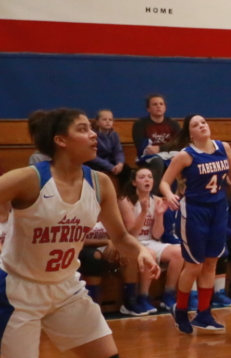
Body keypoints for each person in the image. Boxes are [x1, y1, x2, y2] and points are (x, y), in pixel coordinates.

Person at [0, 108, 160, 358]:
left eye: (92, 128)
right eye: (83, 129)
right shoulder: (30, 179)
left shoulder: (100, 182)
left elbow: (119, 237)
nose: (94, 135)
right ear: (61, 141)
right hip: (18, 290)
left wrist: (141, 251)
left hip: (66, 287)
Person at [158, 114, 231, 334]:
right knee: (194, 265)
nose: (201, 126)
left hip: (218, 210)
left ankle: (204, 313)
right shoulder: (185, 155)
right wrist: (169, 195)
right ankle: (180, 311)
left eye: (204, 122)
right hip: (195, 212)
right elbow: (163, 182)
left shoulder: (223, 147)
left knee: (211, 263)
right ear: (191, 133)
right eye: (196, 125)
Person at [117, 166, 176, 315]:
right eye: (142, 177)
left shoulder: (156, 200)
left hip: (150, 241)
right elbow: (132, 233)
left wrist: (159, 214)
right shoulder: (126, 200)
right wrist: (143, 212)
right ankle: (143, 296)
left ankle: (169, 294)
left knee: (180, 253)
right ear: (134, 182)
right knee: (149, 253)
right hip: (131, 242)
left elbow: (157, 234)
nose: (147, 180)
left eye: (149, 176)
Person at [133, 94, 181, 195]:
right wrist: (152, 150)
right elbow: (140, 145)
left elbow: (179, 143)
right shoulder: (140, 124)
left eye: (161, 104)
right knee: (158, 161)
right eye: (155, 104)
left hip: (170, 155)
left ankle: (179, 194)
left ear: (165, 107)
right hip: (148, 157)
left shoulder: (173, 124)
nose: (158, 106)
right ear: (148, 109)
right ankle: (154, 196)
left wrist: (160, 148)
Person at [87, 109, 125, 176]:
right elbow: (93, 156)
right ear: (97, 122)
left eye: (110, 120)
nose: (108, 122)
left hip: (110, 161)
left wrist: (120, 163)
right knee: (94, 168)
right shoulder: (93, 135)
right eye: (104, 119)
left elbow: (118, 151)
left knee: (126, 170)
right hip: (97, 162)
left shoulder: (114, 135)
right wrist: (109, 167)